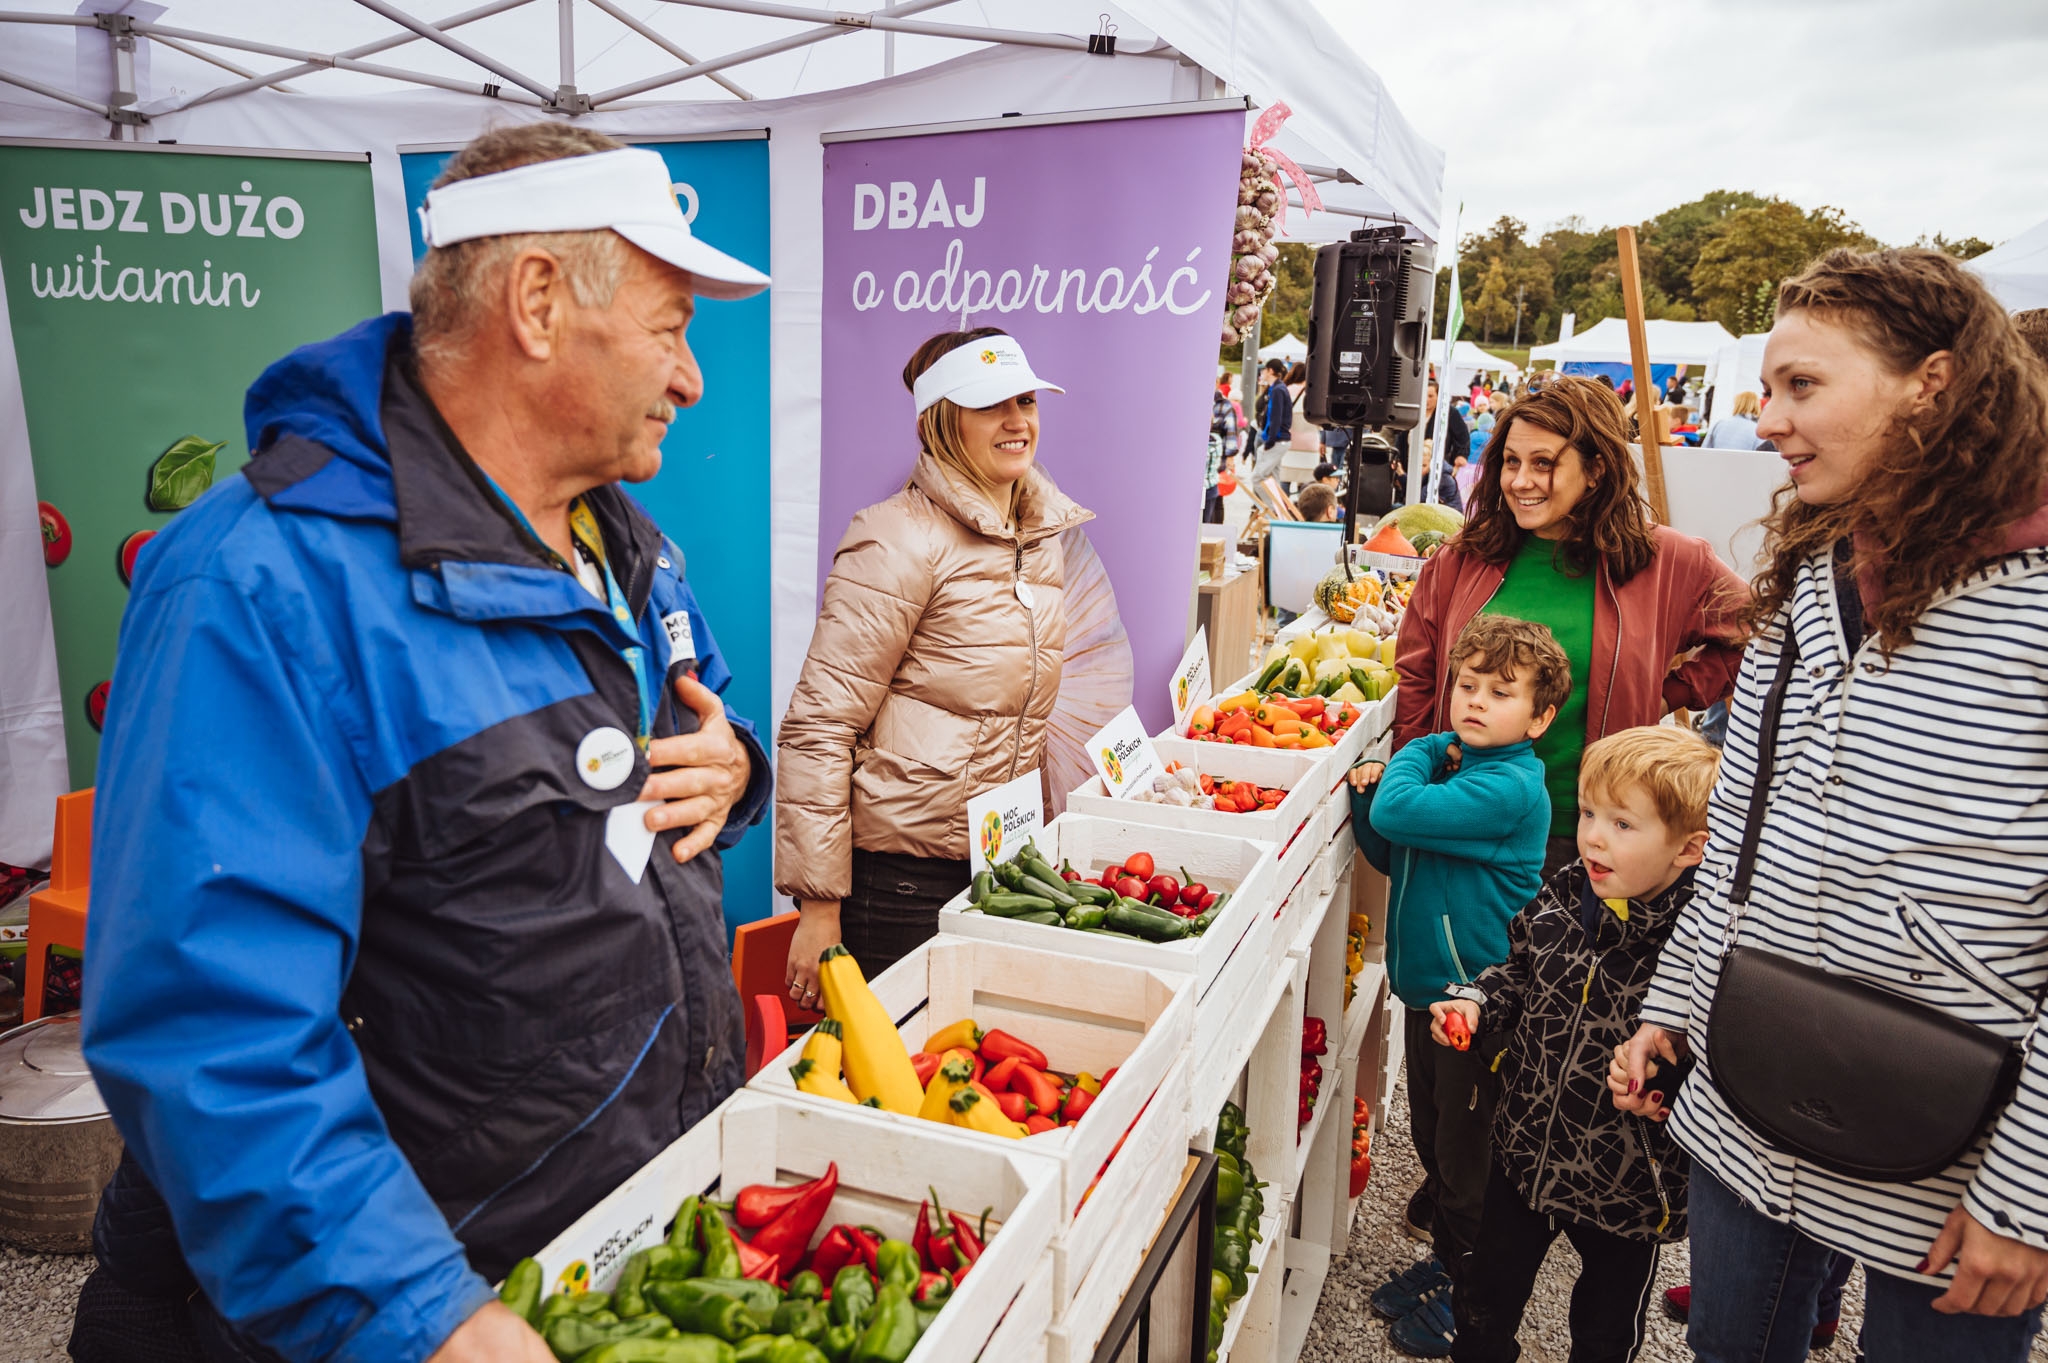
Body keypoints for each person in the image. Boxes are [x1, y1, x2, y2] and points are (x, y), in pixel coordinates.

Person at [68, 125, 773, 1363]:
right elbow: (214, 1031)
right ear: (539, 302)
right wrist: (425, 1319)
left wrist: (740, 765)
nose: (691, 378)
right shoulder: (259, 586)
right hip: (411, 1308)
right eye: (671, 327)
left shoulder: (624, 541)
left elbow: (697, 712)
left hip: (613, 1251)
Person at [1613, 248, 2048, 1363]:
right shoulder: (1812, 574)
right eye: (1765, 388)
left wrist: (2028, 1193)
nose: (1765, 419)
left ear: (1933, 385)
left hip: (1958, 1148)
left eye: (1801, 385)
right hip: (1751, 1094)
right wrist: (1673, 1005)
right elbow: (1743, 832)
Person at [777, 329, 1091, 1002]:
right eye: (990, 405)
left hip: (996, 865)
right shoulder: (894, 536)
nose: (1017, 421)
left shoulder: (1038, 544)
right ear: (939, 422)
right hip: (898, 884)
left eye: (1027, 400)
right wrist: (819, 903)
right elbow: (819, 727)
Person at [1435, 726, 1718, 1363]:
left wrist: (1665, 1091)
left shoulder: (1695, 949)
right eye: (1590, 813)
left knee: (1604, 1330)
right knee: (1485, 1299)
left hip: (1627, 1184)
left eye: (1623, 824)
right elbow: (1517, 969)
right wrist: (1476, 1002)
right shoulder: (1567, 893)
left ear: (1689, 849)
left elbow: (1706, 1056)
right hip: (1524, 1151)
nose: (1592, 835)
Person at [1395, 374, 1747, 878]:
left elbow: (1760, 631)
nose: (1520, 481)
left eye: (1544, 464)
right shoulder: (1460, 560)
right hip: (1462, 821)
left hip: (1592, 839)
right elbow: (1418, 678)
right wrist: (1410, 789)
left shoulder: (1668, 561)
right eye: (1511, 462)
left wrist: (1670, 693)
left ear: (1596, 470)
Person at [1348, 615, 1566, 1355]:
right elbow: (1390, 842)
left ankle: (1473, 1299)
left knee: (1470, 1157)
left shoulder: (1509, 786)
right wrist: (1365, 795)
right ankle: (1445, 1262)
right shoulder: (1456, 769)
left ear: (1540, 716)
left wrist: (1407, 755)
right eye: (1466, 685)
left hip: (1478, 1001)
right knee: (1436, 1139)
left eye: (1500, 692)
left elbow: (1399, 810)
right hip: (1429, 991)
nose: (1474, 701)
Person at [1251, 357, 1293, 490]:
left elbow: (1275, 417)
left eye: (1264, 370)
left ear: (1270, 371)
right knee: (1274, 478)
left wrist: (1270, 440)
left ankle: (1271, 509)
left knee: (1257, 478)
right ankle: (1275, 509)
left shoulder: (1277, 390)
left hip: (1277, 439)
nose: (1262, 372)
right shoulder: (1276, 388)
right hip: (1279, 439)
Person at [1208, 376, 1240, 523]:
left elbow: (1231, 432)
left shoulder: (1224, 405)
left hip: (1217, 456)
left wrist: (1230, 457)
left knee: (1217, 496)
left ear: (1216, 383)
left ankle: (1215, 533)